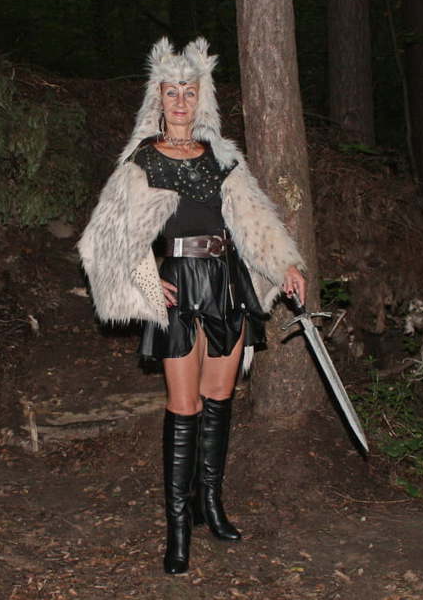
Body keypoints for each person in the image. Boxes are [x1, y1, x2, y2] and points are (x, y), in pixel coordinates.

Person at [77, 38, 306, 575]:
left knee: (219, 398)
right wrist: (144, 279)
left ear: (202, 98)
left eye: (189, 91)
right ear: (157, 98)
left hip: (226, 285)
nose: (180, 100)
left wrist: (285, 265)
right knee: (184, 407)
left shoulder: (223, 157)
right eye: (171, 91)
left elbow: (255, 222)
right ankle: (178, 528)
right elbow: (105, 238)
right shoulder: (141, 161)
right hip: (179, 285)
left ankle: (211, 505)